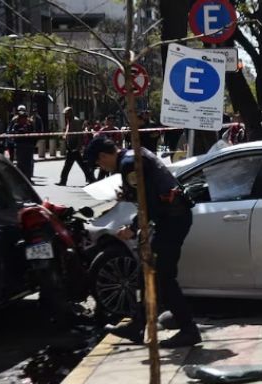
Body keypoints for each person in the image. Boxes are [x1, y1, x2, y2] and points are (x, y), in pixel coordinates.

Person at [85, 138, 201, 347]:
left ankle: (188, 330)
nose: (102, 168)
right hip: (171, 218)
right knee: (144, 273)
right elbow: (147, 192)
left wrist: (133, 227)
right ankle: (138, 324)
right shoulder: (135, 155)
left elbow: (150, 202)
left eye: (99, 163)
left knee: (163, 277)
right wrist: (129, 198)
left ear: (103, 156)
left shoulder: (129, 163)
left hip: (172, 220)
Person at [57, 107, 95, 186]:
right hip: (70, 145)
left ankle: (63, 180)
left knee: (70, 165)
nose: (65, 115)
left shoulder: (76, 121)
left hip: (74, 145)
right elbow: (68, 131)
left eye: (66, 114)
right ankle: (91, 179)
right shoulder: (69, 120)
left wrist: (78, 146)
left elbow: (79, 135)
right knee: (80, 164)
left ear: (70, 113)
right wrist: (65, 136)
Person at [8, 108, 38, 181]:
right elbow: (13, 135)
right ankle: (21, 178)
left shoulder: (29, 125)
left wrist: (33, 143)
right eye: (21, 118)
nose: (23, 119)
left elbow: (34, 135)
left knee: (28, 163)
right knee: (20, 163)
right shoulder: (16, 126)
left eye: (24, 117)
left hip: (28, 146)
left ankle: (28, 178)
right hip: (20, 146)